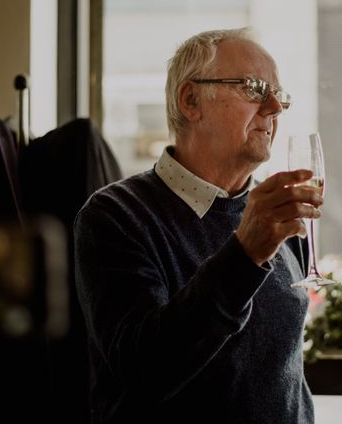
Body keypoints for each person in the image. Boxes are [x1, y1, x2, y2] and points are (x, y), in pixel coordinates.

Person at [74, 28, 322, 423]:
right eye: (255, 88)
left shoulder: (273, 212)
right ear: (191, 101)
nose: (274, 107)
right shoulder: (114, 217)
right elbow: (144, 371)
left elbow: (285, 378)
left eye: (279, 94)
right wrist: (244, 255)